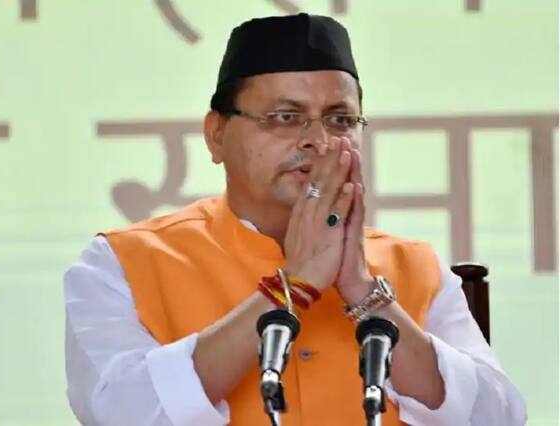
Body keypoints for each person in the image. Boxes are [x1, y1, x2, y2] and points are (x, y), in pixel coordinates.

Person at [64, 13, 527, 426]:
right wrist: (291, 289)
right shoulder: (122, 263)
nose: (317, 140)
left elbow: (498, 417)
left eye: (340, 120)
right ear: (216, 134)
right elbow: (121, 413)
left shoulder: (414, 266)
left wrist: (366, 295)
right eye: (285, 117)